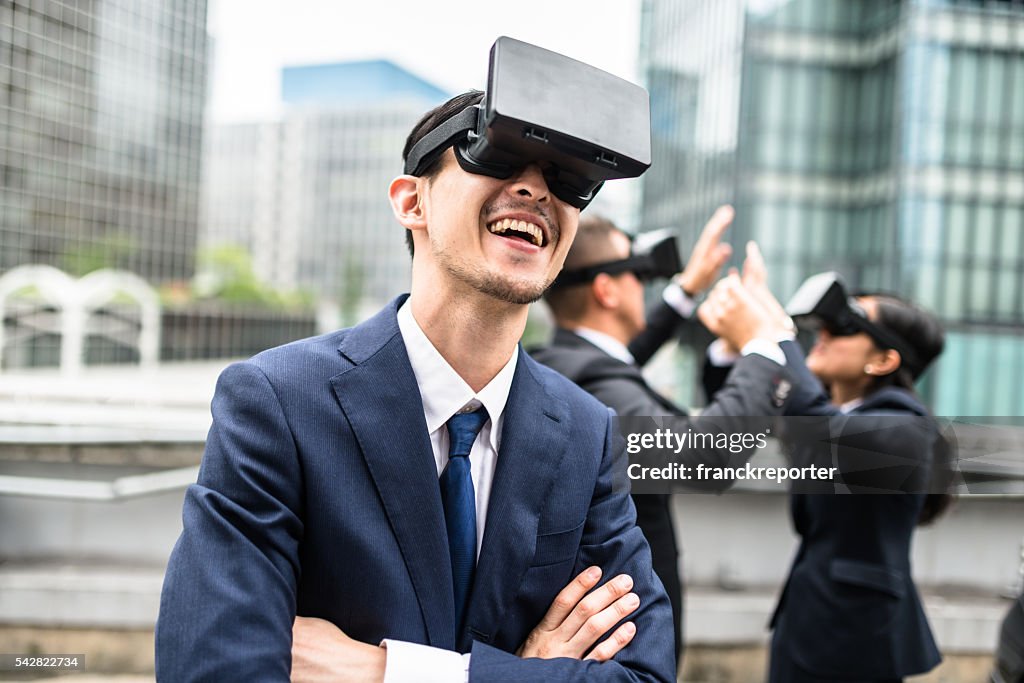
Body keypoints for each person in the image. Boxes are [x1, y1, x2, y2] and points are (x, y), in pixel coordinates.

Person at [156, 89, 677, 682]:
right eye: (497, 155)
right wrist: (525, 673)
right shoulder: (275, 401)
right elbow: (213, 666)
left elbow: (646, 677)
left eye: (568, 179)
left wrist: (391, 671)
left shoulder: (588, 431)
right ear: (411, 201)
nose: (536, 188)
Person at [531, 210, 804, 666]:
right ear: (606, 290)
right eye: (637, 273)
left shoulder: (565, 362)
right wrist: (762, 341)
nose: (647, 283)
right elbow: (698, 456)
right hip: (619, 639)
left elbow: (615, 362)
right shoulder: (589, 380)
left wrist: (686, 293)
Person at [713, 247, 952, 682]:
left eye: (844, 325)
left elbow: (817, 424)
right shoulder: (834, 418)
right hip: (810, 620)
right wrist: (745, 338)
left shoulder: (907, 429)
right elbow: (735, 410)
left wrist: (774, 334)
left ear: (884, 360)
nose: (823, 332)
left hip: (857, 637)